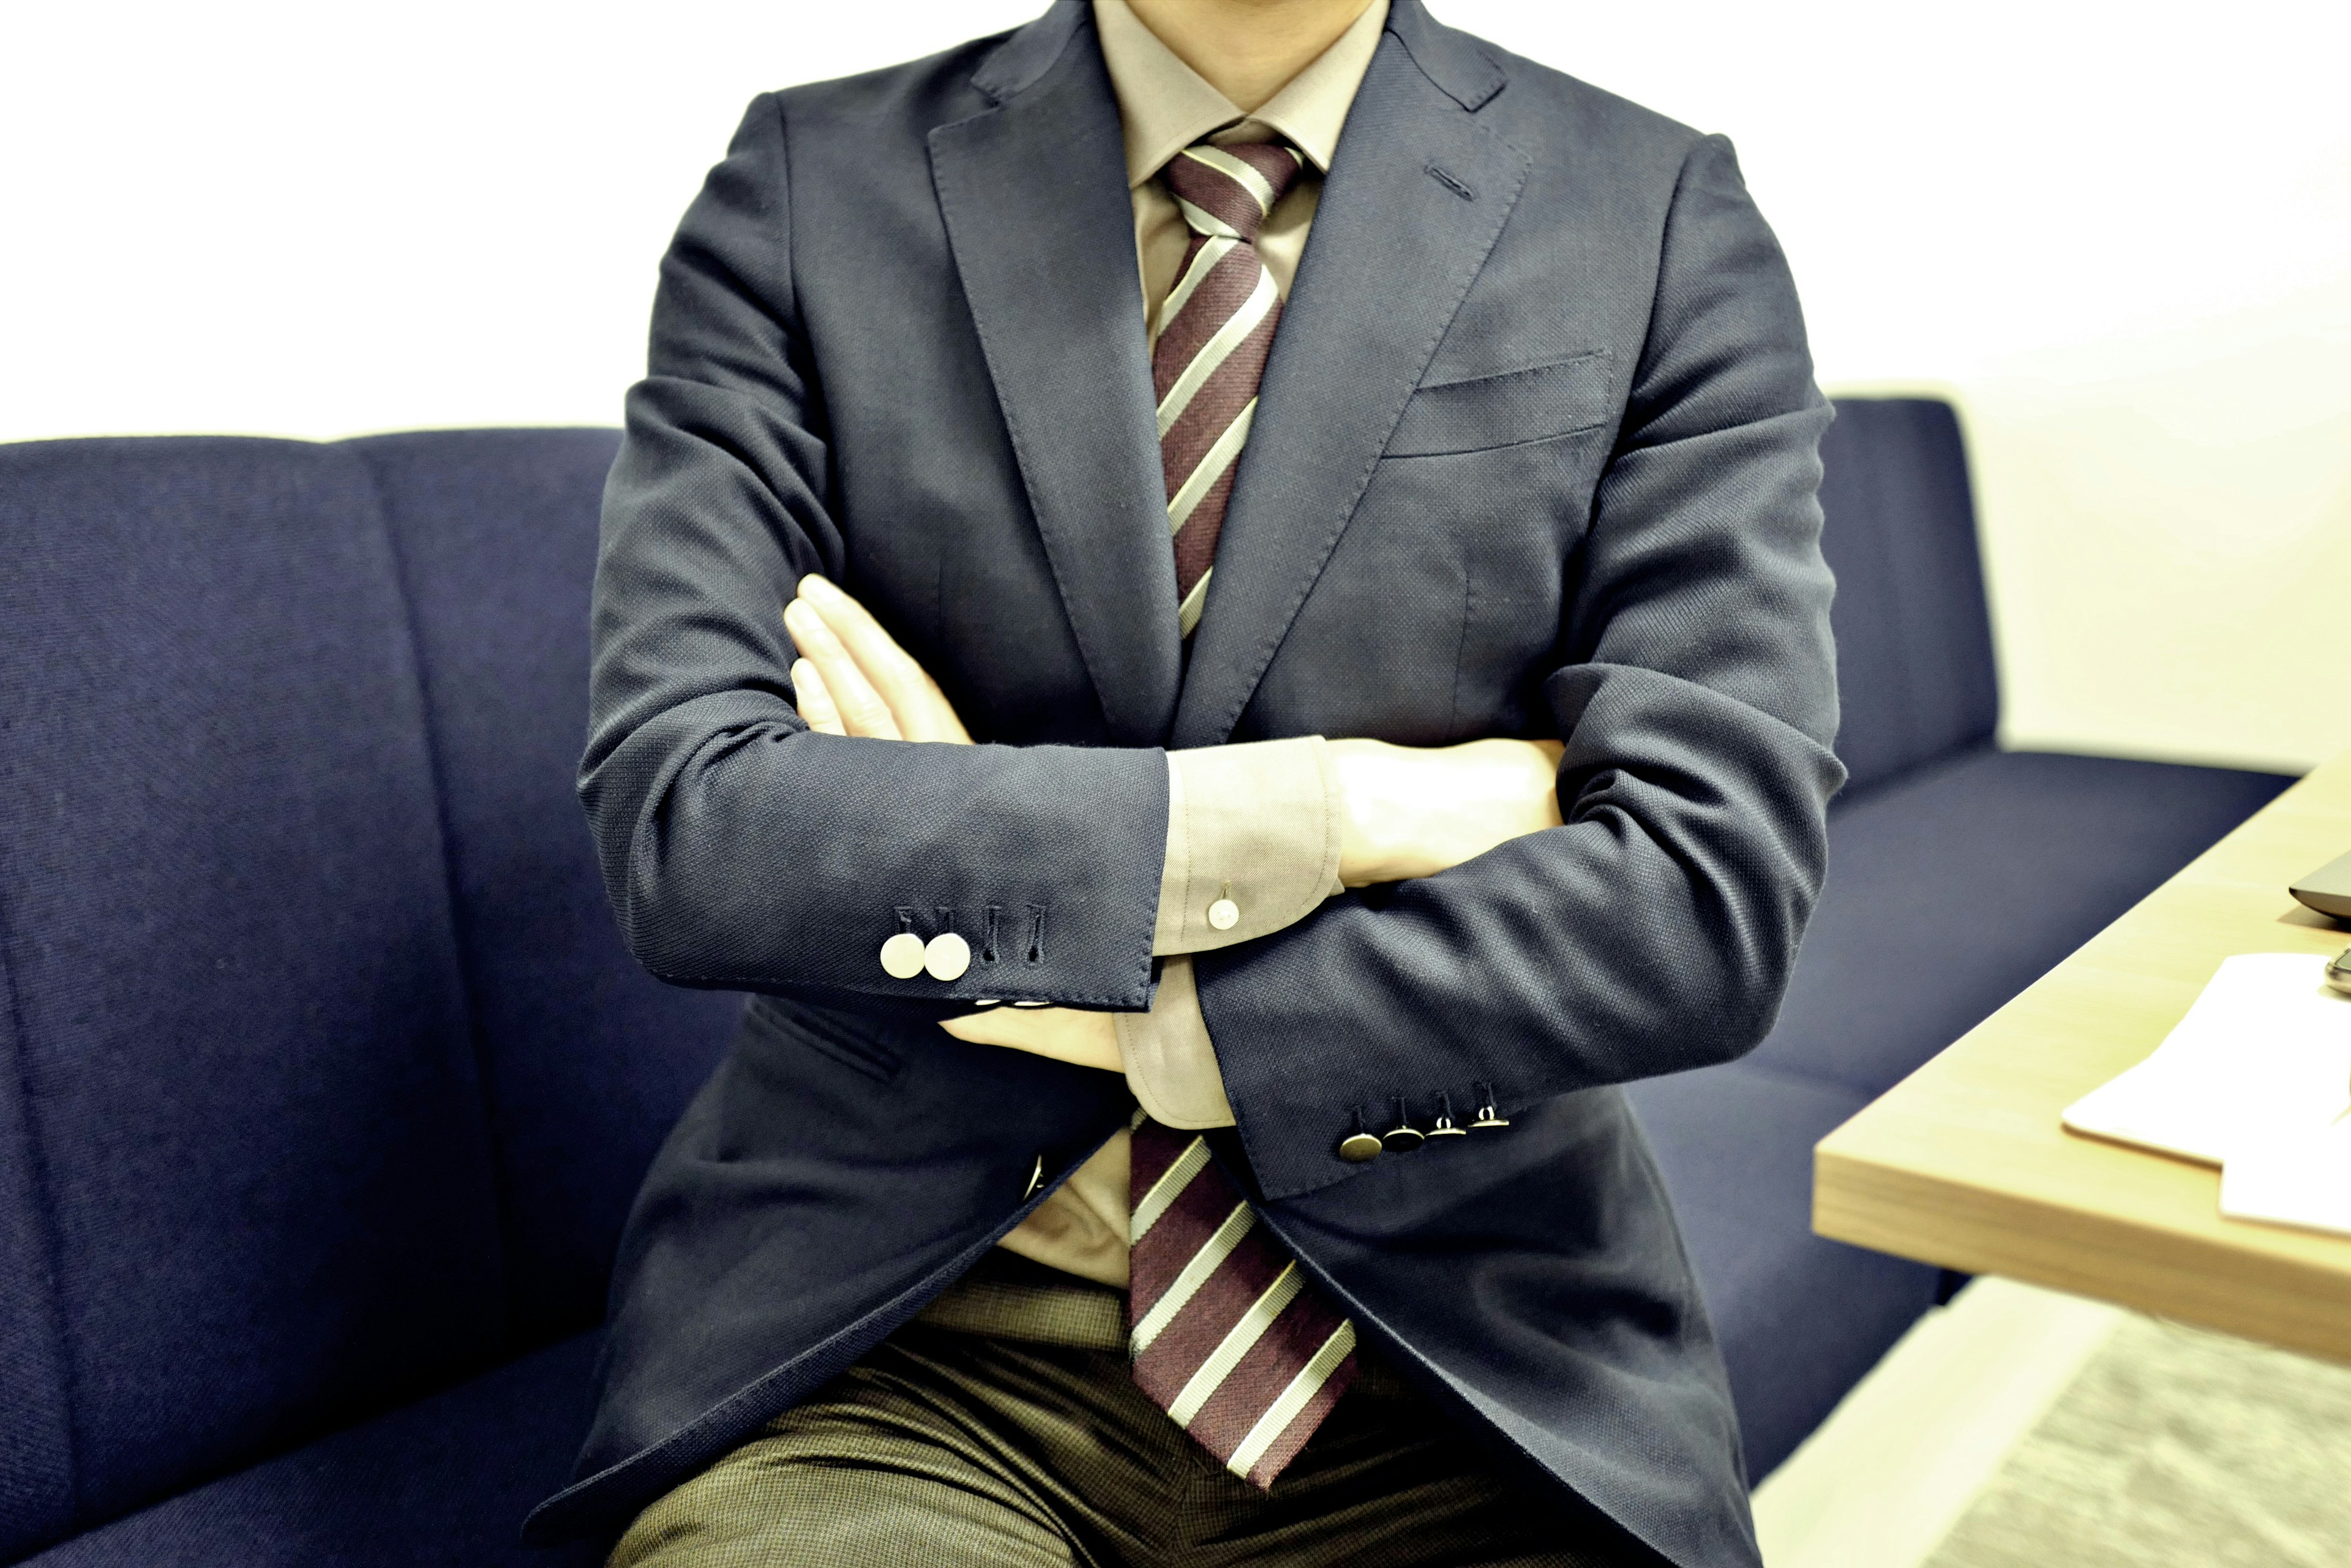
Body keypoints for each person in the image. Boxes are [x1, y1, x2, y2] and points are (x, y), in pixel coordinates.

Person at [525, 1, 1842, 1564]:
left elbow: (1707, 895)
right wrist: (1354, 810)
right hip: (897, 1356)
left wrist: (1143, 996)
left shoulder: (1656, 207)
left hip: (1469, 1354)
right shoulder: (809, 182)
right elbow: (692, 822)